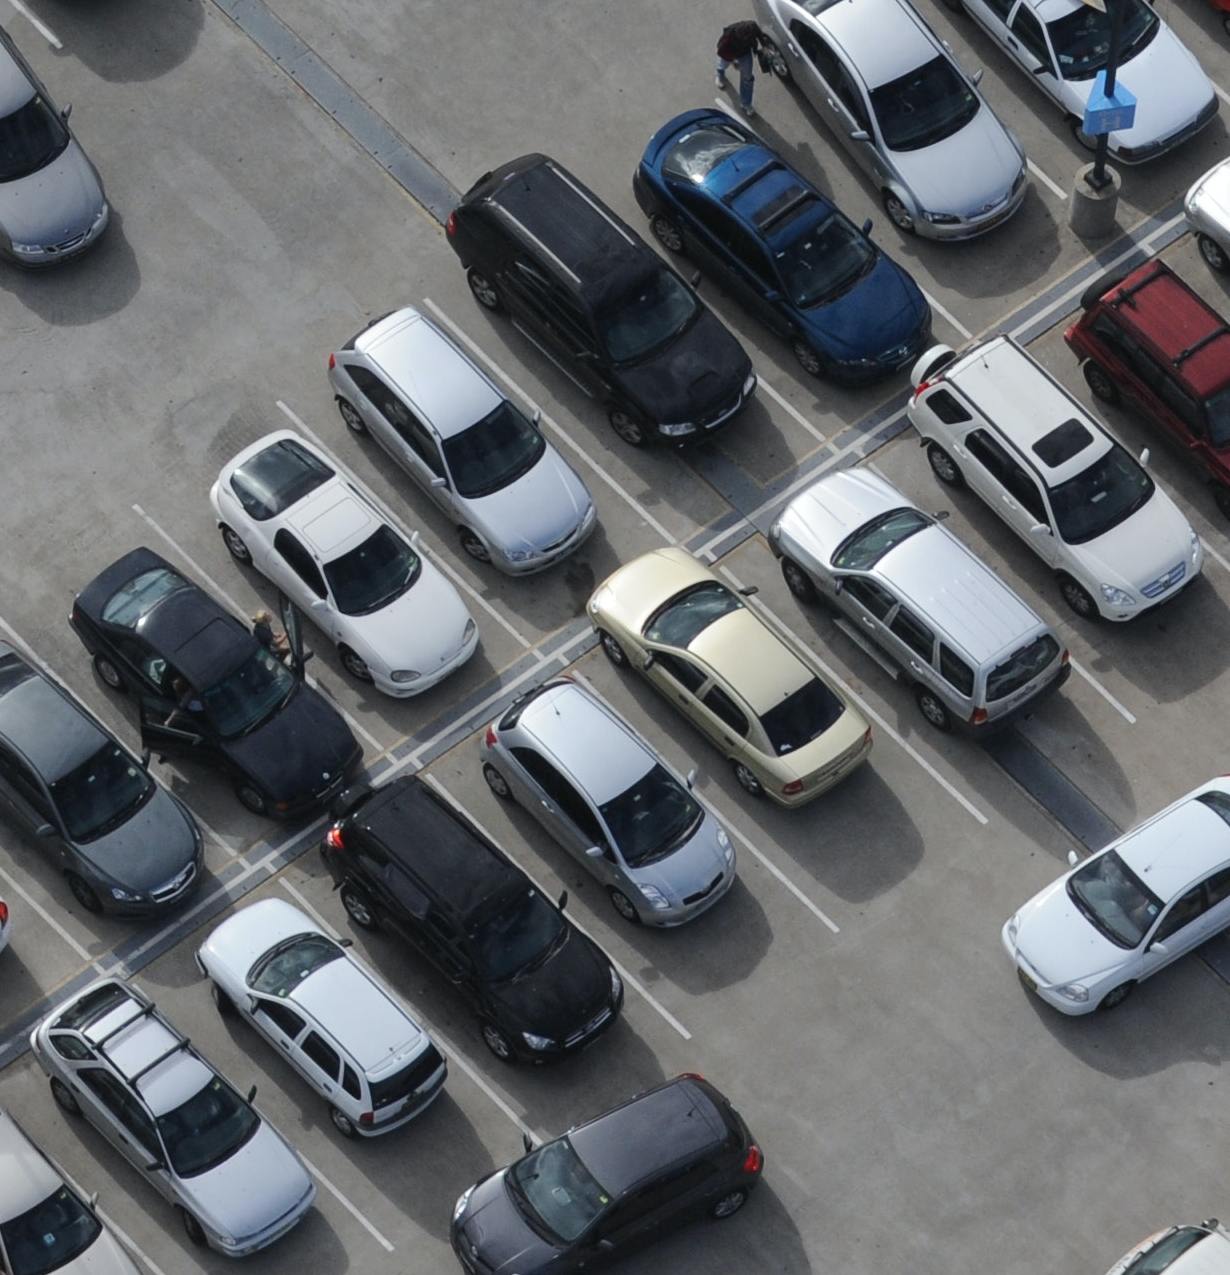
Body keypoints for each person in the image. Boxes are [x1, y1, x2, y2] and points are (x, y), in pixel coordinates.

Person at [715, 20, 764, 117]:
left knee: (748, 79)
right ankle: (720, 74)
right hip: (730, 53)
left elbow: (760, 35)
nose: (746, 40)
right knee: (723, 65)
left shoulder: (752, 26)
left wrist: (765, 46)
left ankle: (746, 104)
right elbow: (721, 52)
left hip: (745, 54)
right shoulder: (729, 36)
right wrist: (733, 60)